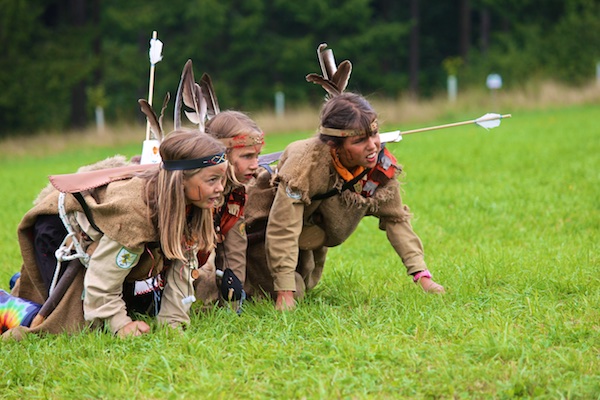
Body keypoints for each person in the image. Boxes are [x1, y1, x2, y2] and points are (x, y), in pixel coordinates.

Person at [243, 47, 444, 309]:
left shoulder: (377, 163)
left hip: (310, 238)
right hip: (260, 235)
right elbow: (283, 228)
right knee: (290, 292)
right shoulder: (306, 165)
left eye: (374, 135)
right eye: (360, 141)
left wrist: (422, 276)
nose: (373, 146)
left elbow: (395, 219)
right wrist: (284, 291)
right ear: (334, 145)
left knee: (306, 284)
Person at [4, 129, 227, 338]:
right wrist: (119, 325)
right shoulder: (136, 214)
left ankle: (25, 282)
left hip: (106, 245)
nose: (220, 188)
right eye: (212, 180)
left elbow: (182, 265)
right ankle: (7, 303)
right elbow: (102, 281)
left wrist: (173, 322)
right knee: (73, 323)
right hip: (60, 230)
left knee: (139, 303)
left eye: (222, 179)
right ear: (181, 180)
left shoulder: (195, 205)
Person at [193, 110, 264, 310]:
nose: (255, 165)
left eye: (257, 156)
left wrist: (234, 301)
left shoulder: (236, 193)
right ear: (222, 155)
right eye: (247, 156)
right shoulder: (193, 190)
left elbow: (235, 249)